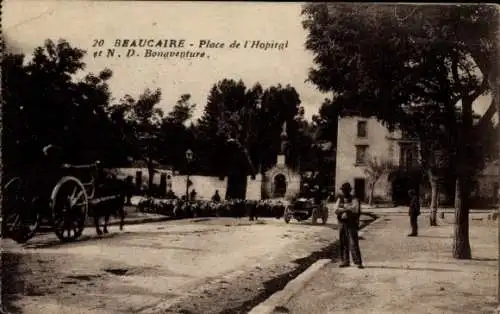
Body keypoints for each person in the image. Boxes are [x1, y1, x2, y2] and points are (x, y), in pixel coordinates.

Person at [335, 182, 364, 268]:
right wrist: (347, 208)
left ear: (349, 190)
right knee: (343, 242)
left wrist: (343, 208)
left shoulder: (354, 199)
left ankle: (358, 262)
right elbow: (336, 209)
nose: (344, 192)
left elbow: (355, 209)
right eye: (343, 190)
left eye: (346, 190)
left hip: (352, 223)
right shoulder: (340, 198)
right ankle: (345, 261)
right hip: (342, 222)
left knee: (353, 242)